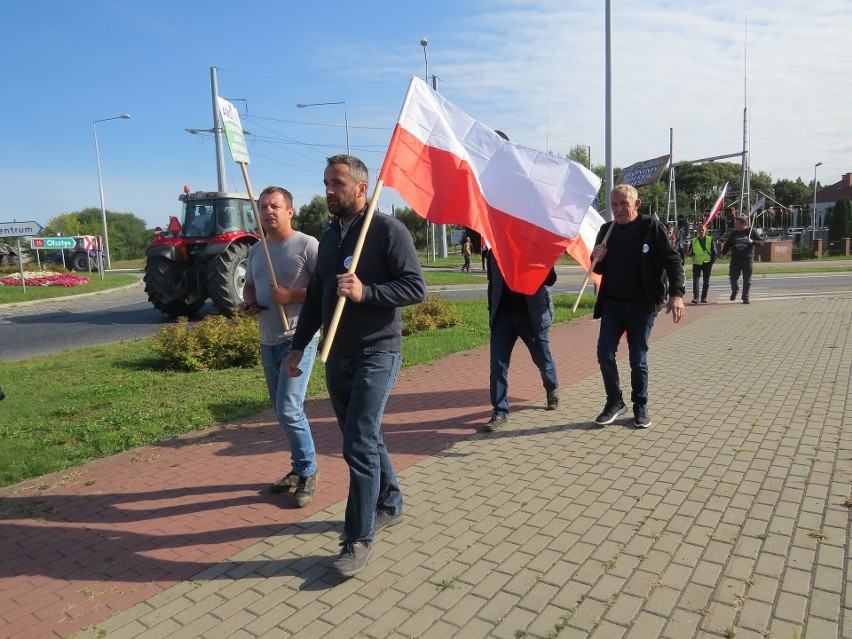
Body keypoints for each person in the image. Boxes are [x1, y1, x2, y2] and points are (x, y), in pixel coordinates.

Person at [285, 154, 426, 578]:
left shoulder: (386, 230)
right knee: (364, 437)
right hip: (336, 353)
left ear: (362, 188)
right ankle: (390, 501)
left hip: (377, 352)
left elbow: (415, 287)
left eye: (338, 184)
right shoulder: (329, 238)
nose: (329, 190)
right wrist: (298, 346)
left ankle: (358, 538)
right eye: (326, 182)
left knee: (357, 444)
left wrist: (368, 292)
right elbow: (314, 299)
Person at [240, 187, 320, 508]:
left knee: (289, 407)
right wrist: (247, 304)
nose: (268, 211)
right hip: (267, 340)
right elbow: (249, 287)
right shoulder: (257, 251)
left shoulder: (306, 245)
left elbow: (324, 287)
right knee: (281, 409)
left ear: (290, 211)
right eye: (263, 207)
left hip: (299, 338)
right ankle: (298, 467)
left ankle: (309, 471)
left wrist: (292, 296)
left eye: (275, 206)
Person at [591, 184, 685, 429]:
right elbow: (598, 269)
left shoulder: (650, 227)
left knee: (637, 358)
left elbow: (673, 261)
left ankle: (640, 405)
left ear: (636, 204)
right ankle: (614, 402)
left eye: (624, 203)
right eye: (614, 205)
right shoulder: (606, 230)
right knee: (604, 353)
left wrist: (676, 294)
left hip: (642, 305)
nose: (619, 209)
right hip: (613, 303)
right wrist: (597, 257)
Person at [483, 253, 559, 432]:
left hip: (532, 315)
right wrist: (491, 312)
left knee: (542, 359)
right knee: (498, 366)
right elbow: (492, 284)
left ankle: (552, 388)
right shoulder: (494, 251)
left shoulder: (534, 247)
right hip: (503, 317)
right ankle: (500, 411)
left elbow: (551, 279)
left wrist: (542, 259)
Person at [721, 214, 764, 304]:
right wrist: (723, 253)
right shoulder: (734, 233)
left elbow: (761, 242)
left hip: (747, 259)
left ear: (743, 223)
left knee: (747, 279)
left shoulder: (751, 232)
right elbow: (728, 244)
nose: (735, 225)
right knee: (733, 278)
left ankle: (745, 297)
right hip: (736, 259)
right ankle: (735, 290)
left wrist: (752, 241)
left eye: (737, 224)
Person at [687, 225, 717, 304]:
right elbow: (691, 253)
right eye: (699, 230)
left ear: (706, 230)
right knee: (695, 281)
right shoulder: (694, 240)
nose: (701, 232)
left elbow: (714, 252)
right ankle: (696, 298)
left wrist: (712, 262)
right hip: (697, 263)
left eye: (702, 230)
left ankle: (703, 297)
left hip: (707, 263)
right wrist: (689, 253)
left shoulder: (710, 239)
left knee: (706, 281)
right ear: (697, 231)